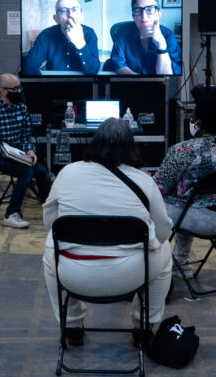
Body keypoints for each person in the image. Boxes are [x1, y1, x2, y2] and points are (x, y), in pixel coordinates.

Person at [42, 118, 173, 346]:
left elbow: (49, 222)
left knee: (50, 249)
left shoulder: (67, 173)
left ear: (95, 142)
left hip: (73, 274)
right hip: (132, 273)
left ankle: (71, 325)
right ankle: (144, 326)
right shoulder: (144, 180)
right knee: (166, 252)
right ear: (131, 146)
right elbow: (162, 232)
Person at [153, 103, 216, 266]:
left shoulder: (182, 150)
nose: (191, 121)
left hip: (202, 219)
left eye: (192, 118)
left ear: (199, 124)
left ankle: (154, 263)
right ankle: (180, 261)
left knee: (152, 204)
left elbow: (158, 188)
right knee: (187, 198)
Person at [0, 73, 51, 228]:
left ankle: (49, 208)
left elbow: (26, 135)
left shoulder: (21, 108)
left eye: (19, 88)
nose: (19, 92)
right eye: (15, 88)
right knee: (26, 172)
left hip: (18, 154)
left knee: (41, 171)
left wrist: (29, 151)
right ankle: (11, 214)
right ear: (3, 90)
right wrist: (16, 158)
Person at [22, 0, 100, 75]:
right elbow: (29, 67)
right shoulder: (46, 35)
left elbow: (93, 71)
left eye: (75, 10)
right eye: (63, 10)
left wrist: (80, 43)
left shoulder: (90, 33)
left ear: (82, 16)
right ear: (56, 19)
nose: (70, 15)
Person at [109, 0, 182, 75]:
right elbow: (118, 64)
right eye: (138, 10)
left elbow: (166, 73)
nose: (144, 15)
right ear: (133, 16)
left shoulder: (168, 35)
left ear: (158, 14)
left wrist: (161, 43)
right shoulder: (122, 31)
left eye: (150, 9)